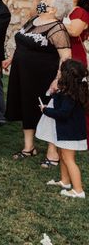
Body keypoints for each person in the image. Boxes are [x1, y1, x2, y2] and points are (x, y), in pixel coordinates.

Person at [4, 0, 73, 165]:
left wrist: (59, 79)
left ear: (54, 9)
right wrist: (12, 58)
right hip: (22, 74)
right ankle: (29, 147)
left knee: (47, 112)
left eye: (45, 2)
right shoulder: (33, 20)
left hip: (43, 76)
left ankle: (52, 153)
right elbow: (23, 43)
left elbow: (66, 57)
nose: (42, 3)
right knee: (25, 107)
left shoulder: (57, 28)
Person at [36, 59, 88, 199]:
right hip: (66, 132)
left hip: (70, 133)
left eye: (60, 71)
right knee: (63, 156)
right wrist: (54, 92)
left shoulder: (69, 95)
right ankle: (65, 182)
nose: (58, 72)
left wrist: (45, 110)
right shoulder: (69, 91)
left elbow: (63, 114)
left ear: (66, 75)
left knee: (68, 159)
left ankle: (78, 190)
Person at [63, 0, 89, 146]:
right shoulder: (66, 12)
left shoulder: (81, 12)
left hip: (76, 56)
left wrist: (58, 19)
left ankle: (84, 132)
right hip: (63, 53)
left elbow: (74, 32)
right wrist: (38, 0)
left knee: (77, 93)